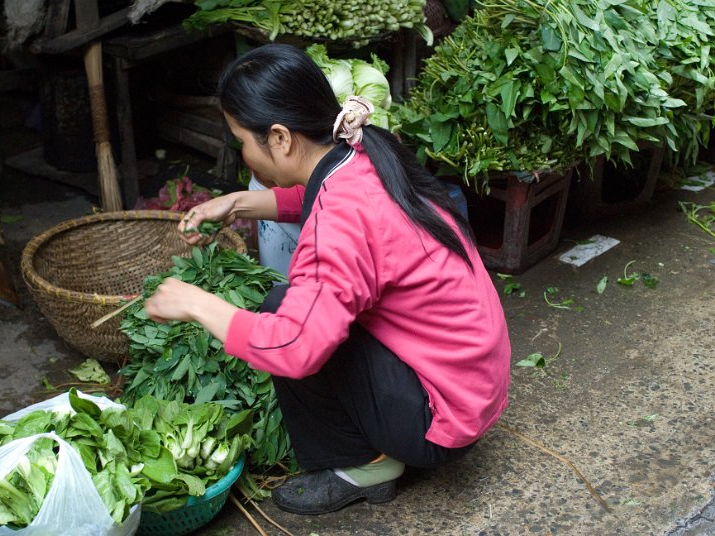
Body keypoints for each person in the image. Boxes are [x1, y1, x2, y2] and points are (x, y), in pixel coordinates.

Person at [144, 43, 511, 515]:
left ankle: (365, 466)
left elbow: (294, 347)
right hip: (472, 385)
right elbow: (321, 195)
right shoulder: (365, 150)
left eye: (242, 139)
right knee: (294, 302)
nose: (242, 151)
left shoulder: (338, 221)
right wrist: (238, 202)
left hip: (442, 420)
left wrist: (196, 303)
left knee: (281, 312)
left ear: (279, 138)